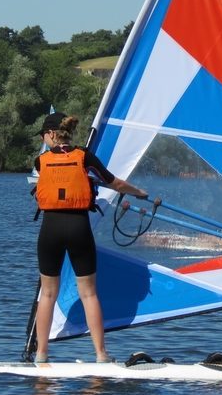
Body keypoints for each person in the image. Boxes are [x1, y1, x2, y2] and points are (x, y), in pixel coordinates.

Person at [32, 111, 147, 364]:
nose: (43, 139)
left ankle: (41, 355)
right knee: (89, 294)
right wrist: (138, 192)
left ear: (51, 134)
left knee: (48, 294)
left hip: (50, 229)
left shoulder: (40, 161)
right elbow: (113, 182)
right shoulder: (85, 156)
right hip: (77, 227)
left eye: (43, 135)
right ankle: (101, 354)